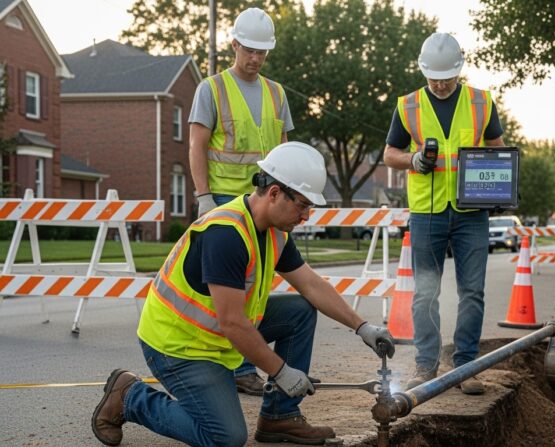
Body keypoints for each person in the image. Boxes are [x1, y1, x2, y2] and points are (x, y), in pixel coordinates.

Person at [92, 142, 396, 447]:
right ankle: (131, 397)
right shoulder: (226, 234)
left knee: (300, 311)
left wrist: (362, 327)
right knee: (225, 437)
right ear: (275, 193)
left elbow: (311, 285)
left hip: (215, 338)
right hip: (179, 346)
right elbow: (233, 323)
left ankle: (280, 417)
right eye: (302, 205)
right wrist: (281, 371)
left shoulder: (275, 231)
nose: (305, 216)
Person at [383, 32, 505, 395]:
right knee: (424, 293)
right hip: (428, 210)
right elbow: (390, 154)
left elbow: (498, 149)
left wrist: (500, 185)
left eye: (446, 77)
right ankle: (426, 365)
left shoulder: (482, 102)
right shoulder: (408, 105)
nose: (439, 84)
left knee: (472, 292)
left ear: (459, 70)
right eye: (433, 77)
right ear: (424, 71)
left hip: (471, 213)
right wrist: (413, 160)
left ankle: (466, 366)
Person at [188, 7, 295, 395]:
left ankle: (245, 364)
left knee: (260, 283)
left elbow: (283, 150)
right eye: (249, 49)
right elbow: (197, 146)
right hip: (223, 202)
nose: (255, 58)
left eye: (262, 52)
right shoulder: (211, 89)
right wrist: (202, 197)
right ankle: (233, 365)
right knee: (230, 287)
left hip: (267, 203)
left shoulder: (276, 93)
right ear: (233, 44)